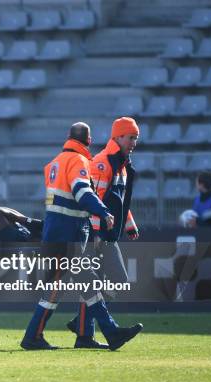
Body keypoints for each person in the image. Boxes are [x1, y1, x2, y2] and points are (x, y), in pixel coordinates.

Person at [20, 122, 143, 351]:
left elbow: (53, 201)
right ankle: (108, 332)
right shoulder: (78, 161)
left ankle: (39, 336)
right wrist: (102, 211)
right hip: (70, 234)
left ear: (68, 137)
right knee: (83, 284)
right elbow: (82, 192)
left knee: (65, 289)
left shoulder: (54, 163)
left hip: (56, 233)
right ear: (88, 141)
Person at [66, 117, 141, 349]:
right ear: (118, 137)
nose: (134, 143)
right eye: (131, 138)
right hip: (97, 234)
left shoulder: (120, 164)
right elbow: (94, 201)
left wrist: (129, 224)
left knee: (114, 281)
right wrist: (96, 233)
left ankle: (81, 324)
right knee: (92, 284)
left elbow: (117, 203)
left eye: (135, 138)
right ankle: (83, 333)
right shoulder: (103, 163)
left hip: (107, 234)